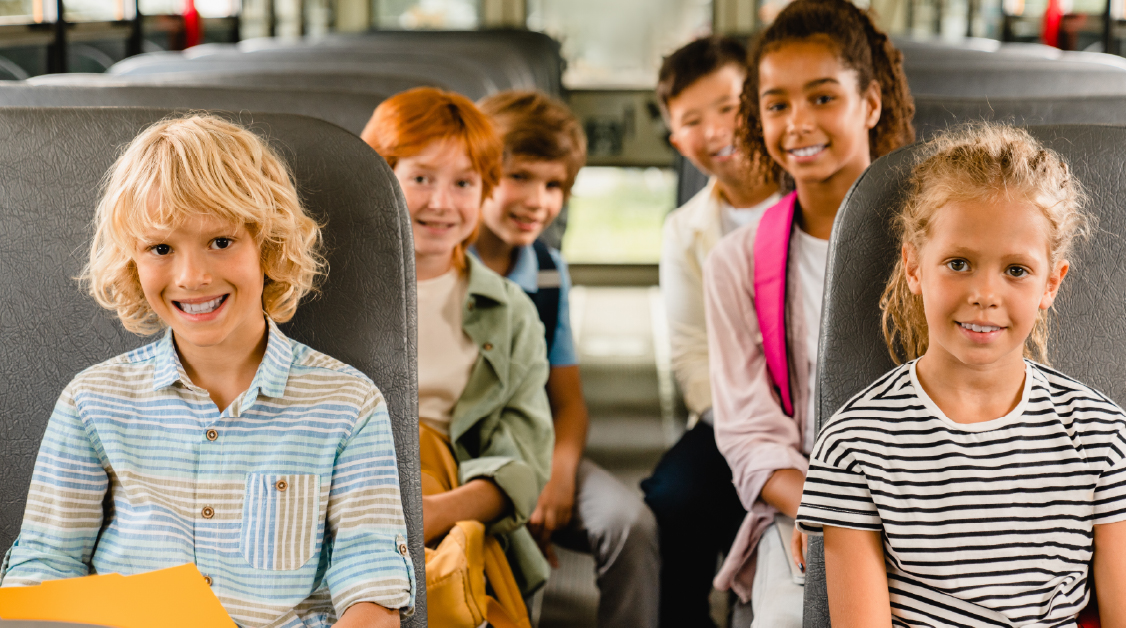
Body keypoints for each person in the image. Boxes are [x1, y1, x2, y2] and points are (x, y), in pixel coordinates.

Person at [0, 114, 415, 628]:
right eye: (161, 248)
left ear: (267, 245)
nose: (192, 277)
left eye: (221, 242)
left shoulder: (349, 403)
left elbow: (371, 590)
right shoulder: (92, 401)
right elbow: (45, 568)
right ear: (133, 263)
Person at [796, 124, 1126, 627]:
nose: (985, 294)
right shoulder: (856, 442)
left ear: (1051, 284)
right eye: (959, 263)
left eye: (1016, 270)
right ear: (913, 267)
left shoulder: (1103, 435)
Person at [703, 0, 915, 624]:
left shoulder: (940, 244)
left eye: (823, 98)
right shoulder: (737, 262)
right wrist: (833, 506)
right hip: (809, 505)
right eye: (777, 104)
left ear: (870, 104)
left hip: (938, 499)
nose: (798, 122)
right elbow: (749, 433)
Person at [360, 88, 555, 621]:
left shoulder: (511, 312)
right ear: (381, 180)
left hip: (452, 507)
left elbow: (525, 460)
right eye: (421, 178)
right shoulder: (318, 292)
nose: (442, 203)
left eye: (464, 183)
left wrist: (430, 513)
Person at [474, 90, 661, 628]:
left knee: (630, 523)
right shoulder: (438, 267)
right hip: (462, 462)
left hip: (535, 450)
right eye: (520, 177)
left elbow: (569, 402)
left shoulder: (549, 273)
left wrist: (559, 475)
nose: (538, 200)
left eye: (554, 185)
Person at [639, 35, 780, 628]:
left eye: (727, 106)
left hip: (827, 412)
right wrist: (751, 429)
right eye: (693, 121)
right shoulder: (686, 230)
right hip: (732, 414)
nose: (717, 129)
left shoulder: (821, 199)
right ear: (677, 140)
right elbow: (693, 359)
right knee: (673, 496)